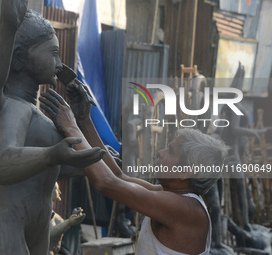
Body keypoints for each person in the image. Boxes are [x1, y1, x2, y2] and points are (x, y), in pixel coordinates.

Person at [0, 1, 104, 254]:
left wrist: (82, 154)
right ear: (20, 58)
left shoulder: (36, 114)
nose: (60, 63)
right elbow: (2, 164)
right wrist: (8, 27)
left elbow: (48, 167)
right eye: (53, 53)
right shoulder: (11, 108)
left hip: (32, 231)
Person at [40, 87, 228, 255]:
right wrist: (84, 120)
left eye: (170, 151)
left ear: (185, 172)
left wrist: (71, 127)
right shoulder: (172, 196)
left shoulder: (184, 209)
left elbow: (107, 183)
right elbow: (118, 175)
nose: (161, 153)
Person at [49, 182, 85, 255]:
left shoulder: (55, 215)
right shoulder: (43, 213)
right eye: (57, 189)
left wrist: (74, 216)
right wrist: (68, 222)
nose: (60, 192)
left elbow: (61, 226)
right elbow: (50, 235)